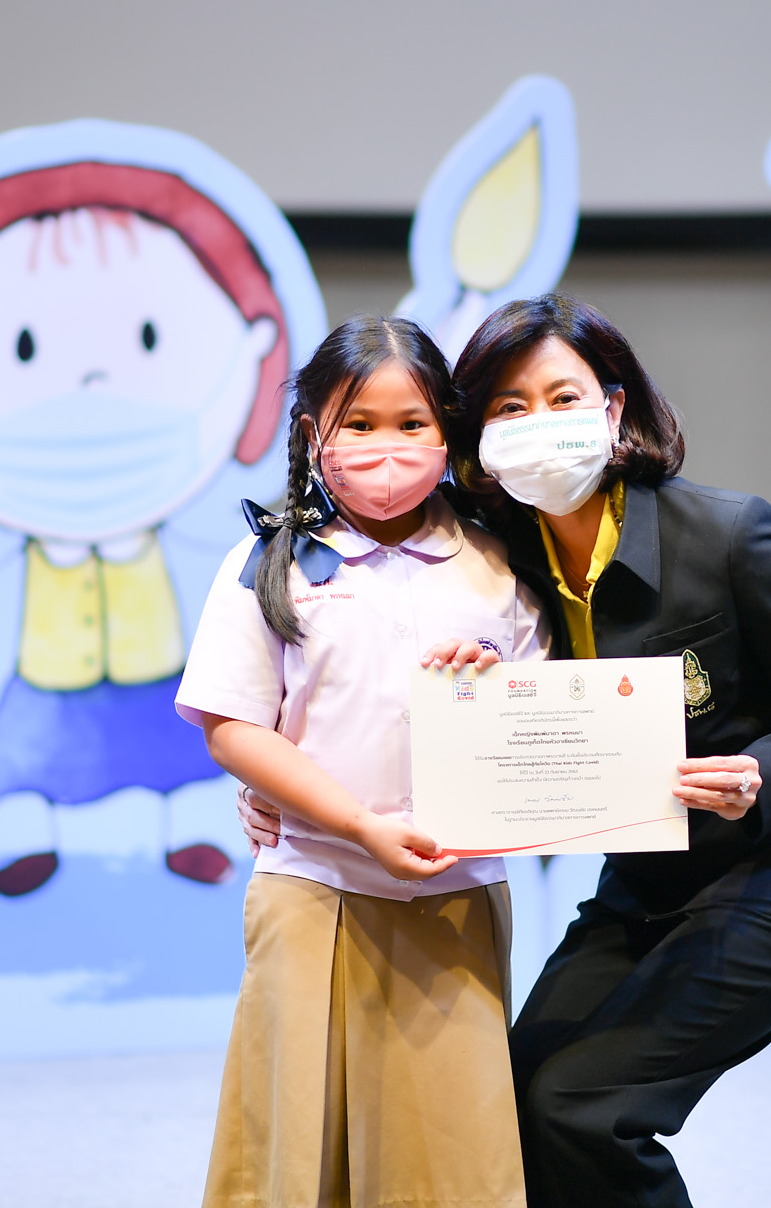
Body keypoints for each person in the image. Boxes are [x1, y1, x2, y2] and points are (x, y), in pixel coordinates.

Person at [243, 294, 771, 1207]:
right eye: (508, 406)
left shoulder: (730, 533)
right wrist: (291, 785)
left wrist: (763, 771)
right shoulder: (498, 554)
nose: (538, 422)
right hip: (648, 879)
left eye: (562, 397)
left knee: (589, 1109)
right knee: (513, 1097)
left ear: (613, 408)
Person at [176, 314, 548, 1208]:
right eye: (360, 423)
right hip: (310, 886)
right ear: (314, 433)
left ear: (448, 430)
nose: (388, 446)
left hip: (458, 898)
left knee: (457, 1160)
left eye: (412, 422)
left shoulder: (501, 560)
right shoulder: (264, 562)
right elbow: (233, 727)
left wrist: (492, 683)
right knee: (298, 1152)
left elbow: (548, 715)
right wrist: (354, 824)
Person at [0, 166, 295, 893]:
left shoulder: (217, 537)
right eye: (26, 347)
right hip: (51, 670)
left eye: (148, 337)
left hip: (153, 661)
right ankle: (40, 841)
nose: (92, 383)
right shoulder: (33, 539)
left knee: (167, 753)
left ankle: (178, 838)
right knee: (39, 756)